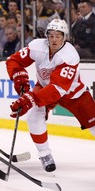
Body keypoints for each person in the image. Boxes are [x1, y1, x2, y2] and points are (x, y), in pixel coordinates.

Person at [6, 18, 95, 173]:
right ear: (46, 35)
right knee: (34, 114)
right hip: (45, 87)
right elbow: (13, 60)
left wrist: (31, 98)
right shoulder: (37, 47)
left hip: (74, 94)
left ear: (64, 37)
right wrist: (18, 75)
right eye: (51, 35)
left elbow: (58, 88)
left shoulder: (70, 55)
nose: (54, 39)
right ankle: (45, 155)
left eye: (58, 36)